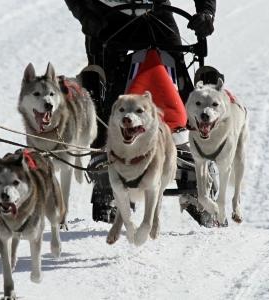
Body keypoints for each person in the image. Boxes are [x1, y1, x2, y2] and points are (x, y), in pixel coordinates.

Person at [64, 0, 218, 224]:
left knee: (182, 80)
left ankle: (192, 152)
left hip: (156, 12)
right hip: (107, 15)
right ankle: (103, 154)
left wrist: (206, 12)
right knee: (102, 84)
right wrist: (84, 14)